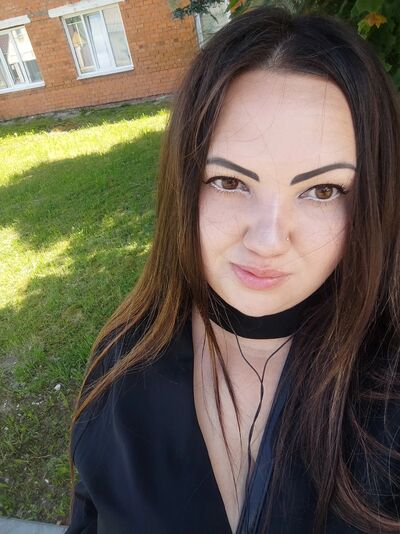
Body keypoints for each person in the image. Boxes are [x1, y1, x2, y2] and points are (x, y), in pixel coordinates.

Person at [65, 5, 400, 534]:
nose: (268, 241)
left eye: (323, 190)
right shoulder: (123, 363)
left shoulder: (389, 385)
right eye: (229, 182)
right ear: (184, 185)